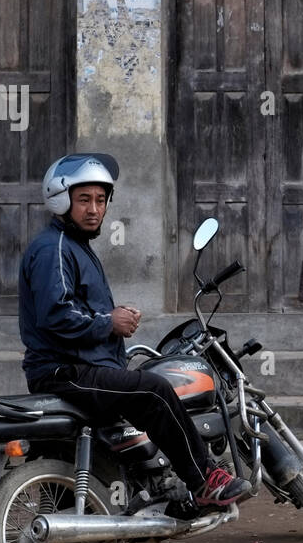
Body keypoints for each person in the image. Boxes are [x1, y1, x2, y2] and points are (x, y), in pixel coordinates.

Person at [18, 152, 250, 510]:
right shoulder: (56, 248)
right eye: (83, 200)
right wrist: (109, 322)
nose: (94, 209)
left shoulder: (74, 246)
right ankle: (205, 479)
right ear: (62, 201)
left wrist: (114, 318)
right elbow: (57, 316)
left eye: (100, 199)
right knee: (155, 391)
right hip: (63, 372)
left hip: (78, 368)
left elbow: (74, 309)